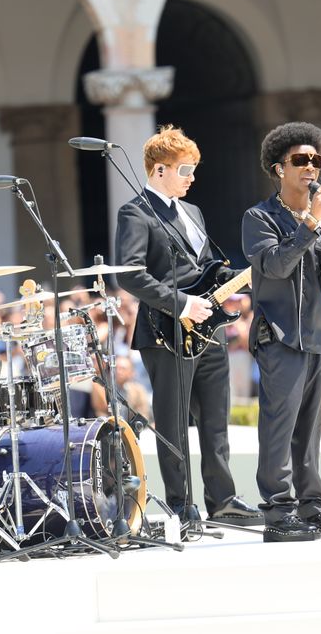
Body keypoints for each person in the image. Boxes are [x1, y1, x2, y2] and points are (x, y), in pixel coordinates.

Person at [115, 125, 261, 527]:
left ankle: (223, 500)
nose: (193, 177)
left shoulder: (192, 212)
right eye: (185, 169)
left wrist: (245, 277)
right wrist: (181, 303)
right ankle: (181, 506)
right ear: (159, 170)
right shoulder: (135, 212)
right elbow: (129, 275)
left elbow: (207, 269)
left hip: (208, 330)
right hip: (166, 331)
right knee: (175, 424)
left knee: (216, 421)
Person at [242, 121, 321, 542]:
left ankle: (312, 506)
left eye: (316, 160)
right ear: (278, 168)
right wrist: (310, 225)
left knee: (310, 431)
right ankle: (277, 510)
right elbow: (274, 266)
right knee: (279, 426)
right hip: (280, 336)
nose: (311, 168)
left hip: (318, 337)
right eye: (300, 161)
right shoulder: (259, 217)